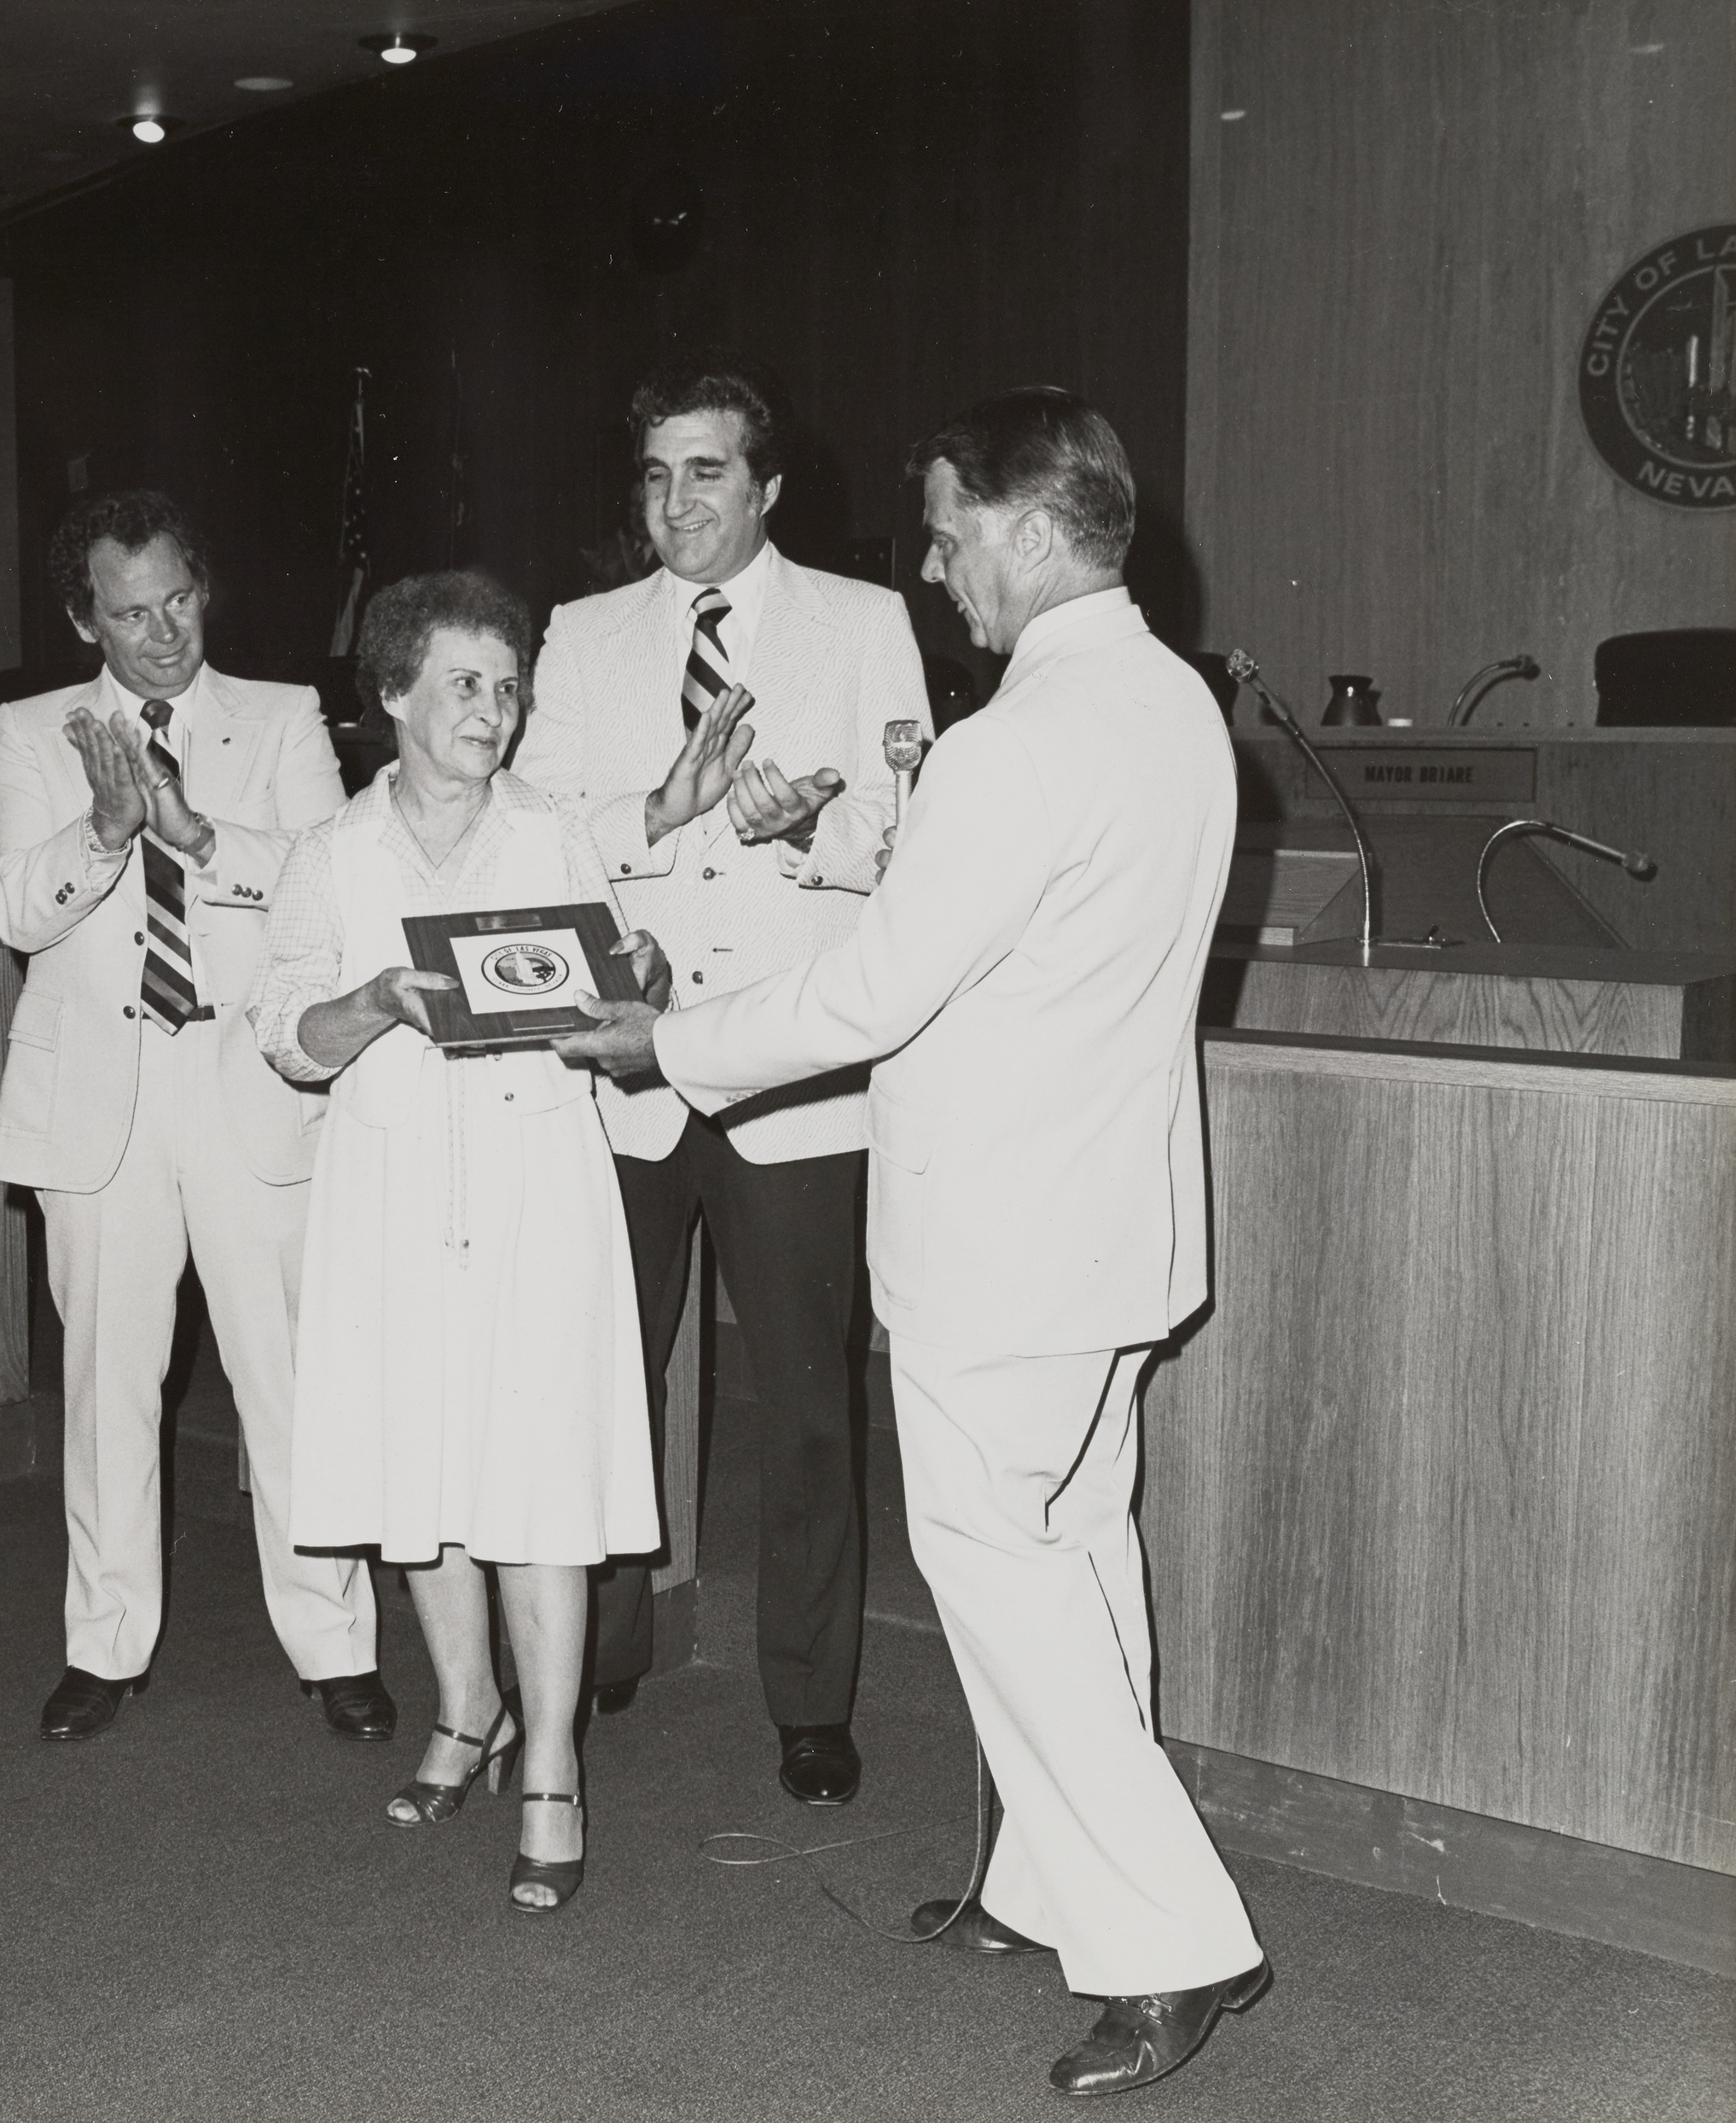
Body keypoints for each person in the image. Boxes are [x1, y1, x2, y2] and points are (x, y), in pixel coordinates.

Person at [556, 388, 1269, 2094]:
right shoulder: (1171, 705)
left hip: (1001, 1242)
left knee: (1004, 1573)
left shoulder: (1015, 740)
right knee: (1080, 1551)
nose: (936, 563)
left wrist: (672, 1041)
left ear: (1031, 528)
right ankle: (1040, 1882)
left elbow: (878, 986)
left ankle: (1176, 1941)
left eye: (951, 529)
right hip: (1106, 1226)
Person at [253, 570, 740, 1912]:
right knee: (424, 1472)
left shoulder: (550, 837)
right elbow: (284, 1033)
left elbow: (609, 999)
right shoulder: (329, 855)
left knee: (536, 1480)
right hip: (391, 1190)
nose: (495, 708)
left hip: (537, 1183)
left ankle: (549, 1765)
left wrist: (632, 992)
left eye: (510, 684)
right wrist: (370, 1003)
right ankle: (464, 1713)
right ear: (395, 694)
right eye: (465, 682)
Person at [515, 350, 930, 1808]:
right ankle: (606, 1641)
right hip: (626, 1069)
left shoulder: (864, 622)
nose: (674, 499)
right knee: (604, 1376)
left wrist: (796, 832)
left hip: (792, 1075)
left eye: (705, 471)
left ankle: (810, 1697)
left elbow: (906, 834)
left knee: (808, 1405)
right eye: (653, 472)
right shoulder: (579, 633)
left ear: (763, 486)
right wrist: (660, 809)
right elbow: (541, 830)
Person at [0, 491, 386, 1744]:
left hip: (248, 1080)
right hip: (101, 1100)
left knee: (287, 1380)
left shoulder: (278, 718)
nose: (161, 635)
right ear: (81, 619)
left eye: (178, 603)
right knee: (109, 1387)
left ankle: (334, 1641)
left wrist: (195, 833)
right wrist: (104, 832)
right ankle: (105, 1646)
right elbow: (14, 911)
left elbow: (331, 887)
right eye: (129, 614)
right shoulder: (33, 729)